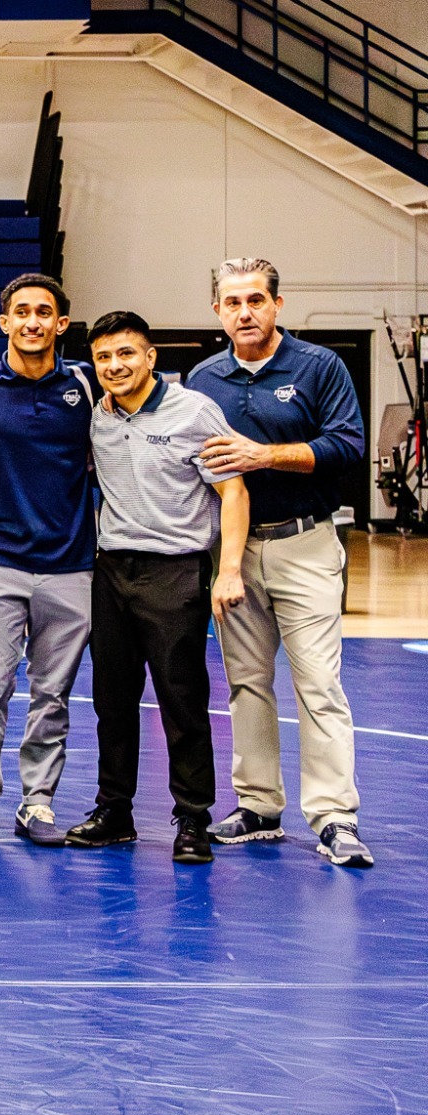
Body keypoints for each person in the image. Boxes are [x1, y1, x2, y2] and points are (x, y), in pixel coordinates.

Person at [189, 258, 373, 868]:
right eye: (232, 302)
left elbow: (348, 446)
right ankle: (259, 805)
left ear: (278, 305)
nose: (245, 312)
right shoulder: (204, 377)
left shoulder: (320, 367)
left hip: (305, 543)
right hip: (232, 551)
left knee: (318, 684)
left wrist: (264, 455)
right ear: (217, 311)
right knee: (246, 682)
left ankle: (334, 816)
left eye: (256, 301)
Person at [65, 311, 249, 864]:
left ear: (151, 358)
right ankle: (114, 810)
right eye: (104, 357)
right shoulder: (96, 415)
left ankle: (193, 818)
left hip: (176, 571)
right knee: (112, 701)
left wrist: (230, 569)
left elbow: (233, 492)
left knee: (182, 699)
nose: (115, 366)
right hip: (112, 570)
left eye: (127, 354)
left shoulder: (194, 411)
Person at [0, 274, 96, 849]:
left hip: (71, 563)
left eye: (44, 312)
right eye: (22, 312)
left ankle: (37, 802)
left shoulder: (88, 386)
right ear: (4, 322)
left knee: (51, 694)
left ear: (60, 324)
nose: (32, 321)